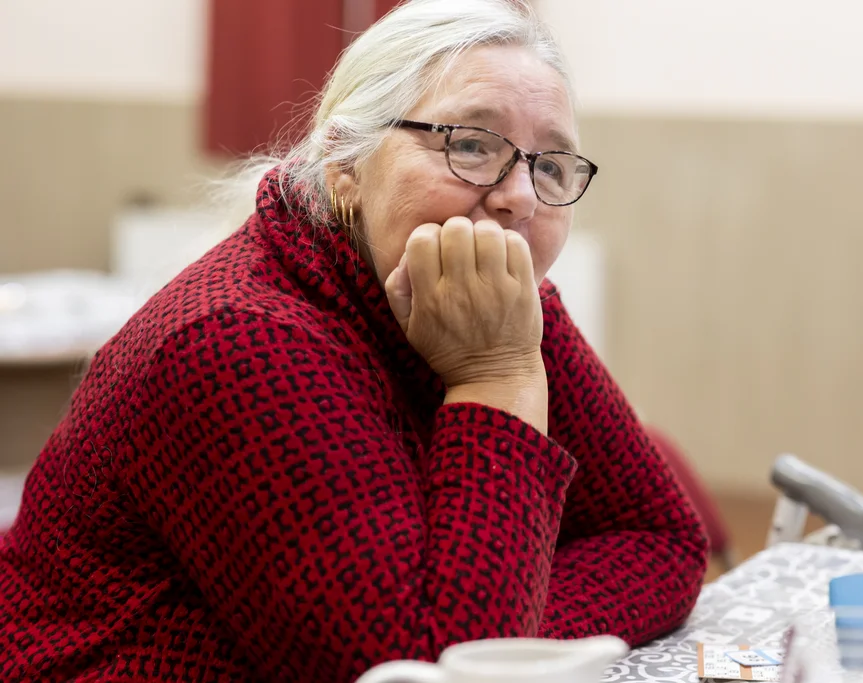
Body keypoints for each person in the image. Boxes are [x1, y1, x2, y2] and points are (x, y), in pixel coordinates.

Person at [0, 0, 707, 681]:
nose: (520, 193)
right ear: (343, 164)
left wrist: (495, 622)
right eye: (469, 143)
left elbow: (663, 539)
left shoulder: (495, 295)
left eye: (551, 165)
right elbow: (429, 676)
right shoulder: (239, 341)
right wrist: (497, 377)